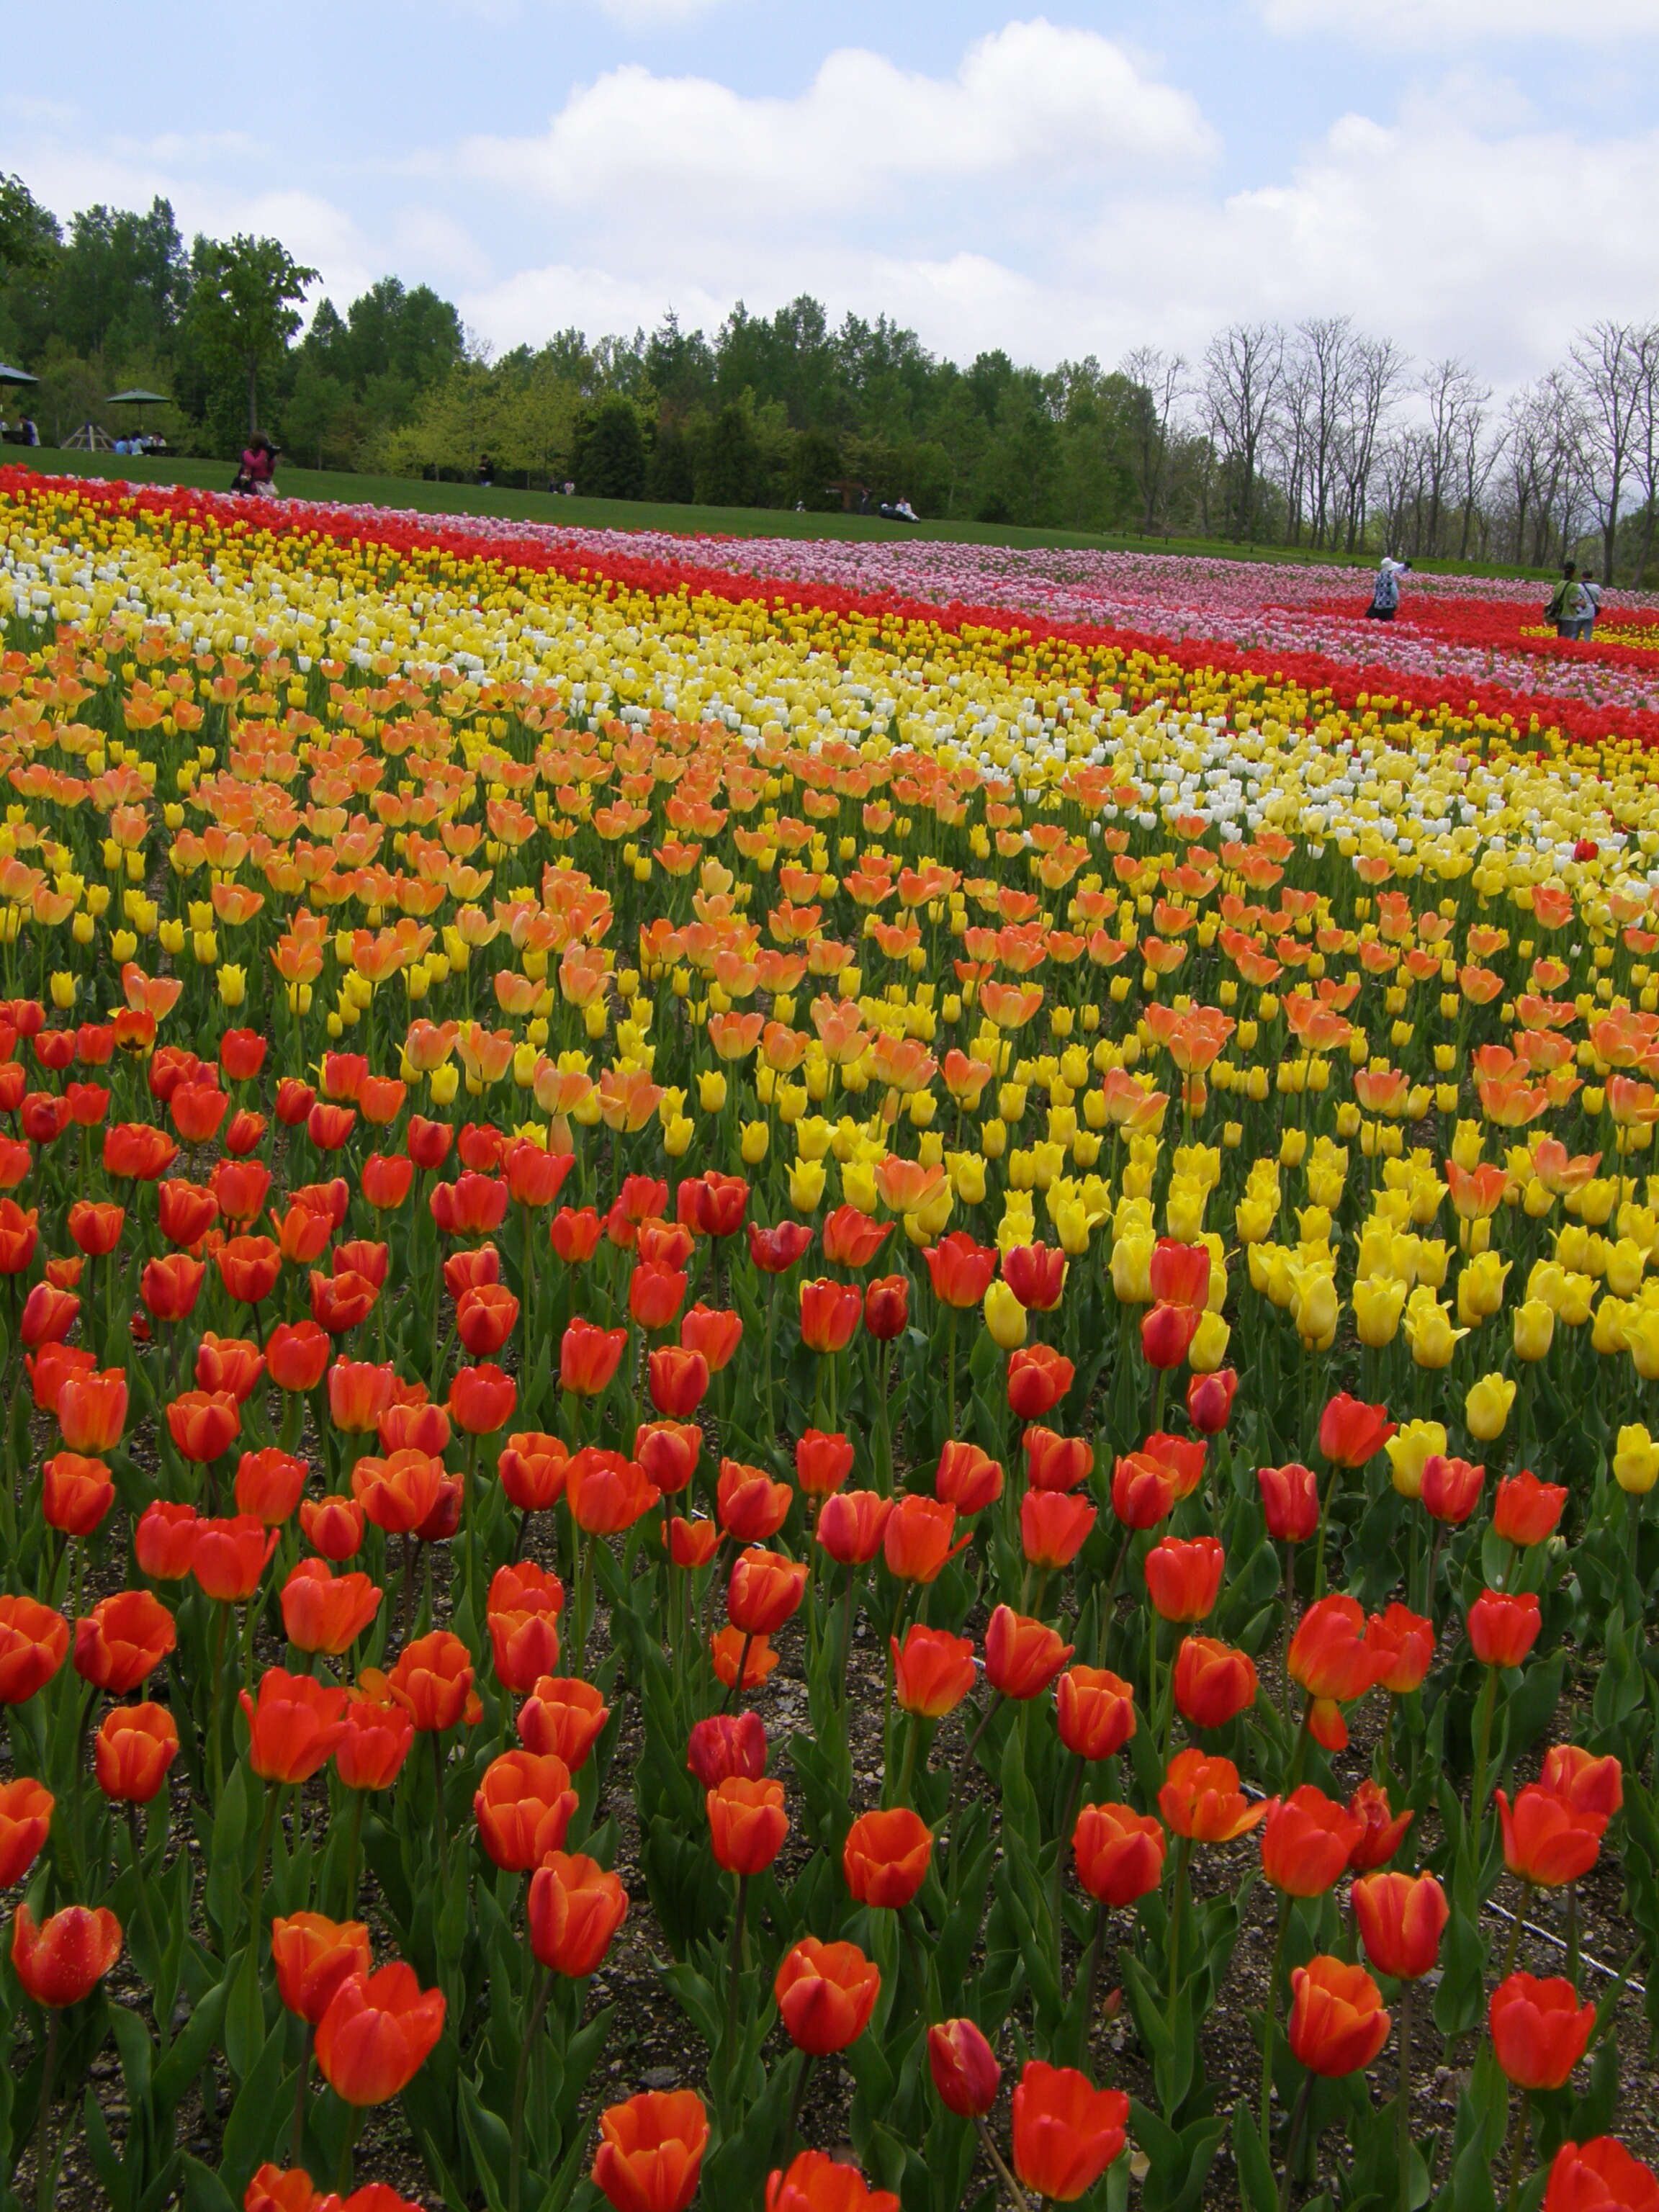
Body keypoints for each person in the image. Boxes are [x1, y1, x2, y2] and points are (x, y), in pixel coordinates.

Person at [1545, 562, 1585, 639]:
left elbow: (1554, 599)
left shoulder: (1559, 585)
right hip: (1569, 616)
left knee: (1560, 638)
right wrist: (1582, 603)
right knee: (1566, 640)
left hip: (1559, 616)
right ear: (1574, 572)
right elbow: (1573, 602)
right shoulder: (1574, 586)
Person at [1366, 555, 1409, 620]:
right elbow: (1394, 590)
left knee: (1379, 621)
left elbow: (1375, 587)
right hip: (1388, 604)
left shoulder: (1379, 575)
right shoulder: (1390, 577)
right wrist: (1397, 600)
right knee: (1388, 622)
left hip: (1378, 603)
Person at [1578, 570, 1603, 641]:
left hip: (1580, 611)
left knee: (1576, 632)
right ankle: (1586, 647)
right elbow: (1597, 599)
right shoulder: (1596, 587)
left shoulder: (1578, 586)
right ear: (1592, 577)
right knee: (1588, 634)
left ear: (1582, 577)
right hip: (1591, 611)